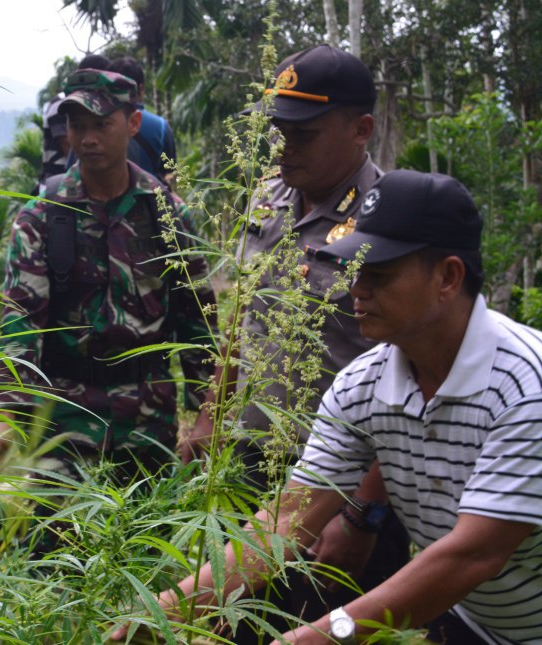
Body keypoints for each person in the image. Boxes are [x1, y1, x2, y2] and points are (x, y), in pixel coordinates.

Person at [115, 170, 542, 645]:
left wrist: (322, 634)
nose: (355, 288)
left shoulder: (527, 385)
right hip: (478, 619)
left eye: (379, 274)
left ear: (448, 276)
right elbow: (285, 521)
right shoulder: (363, 385)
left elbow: (473, 555)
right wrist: (165, 611)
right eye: (354, 269)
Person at [182, 44, 406, 643]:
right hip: (254, 461)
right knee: (237, 623)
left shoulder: (390, 221)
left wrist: (361, 511)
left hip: (341, 480)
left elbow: (408, 374)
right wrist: (210, 415)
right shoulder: (268, 196)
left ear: (361, 130)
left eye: (303, 135)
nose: (283, 148)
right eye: (279, 131)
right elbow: (244, 314)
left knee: (326, 628)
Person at [0, 67, 215, 477]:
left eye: (102, 125)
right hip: (63, 420)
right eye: (77, 126)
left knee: (148, 518)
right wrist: (5, 411)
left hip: (147, 420)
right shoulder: (43, 216)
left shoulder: (166, 215)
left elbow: (197, 319)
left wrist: (208, 413)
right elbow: (21, 319)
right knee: (55, 518)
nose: (88, 139)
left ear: (133, 123)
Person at [108, 55, 177, 186]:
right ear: (140, 89)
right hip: (152, 196)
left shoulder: (95, 126)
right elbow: (170, 174)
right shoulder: (161, 127)